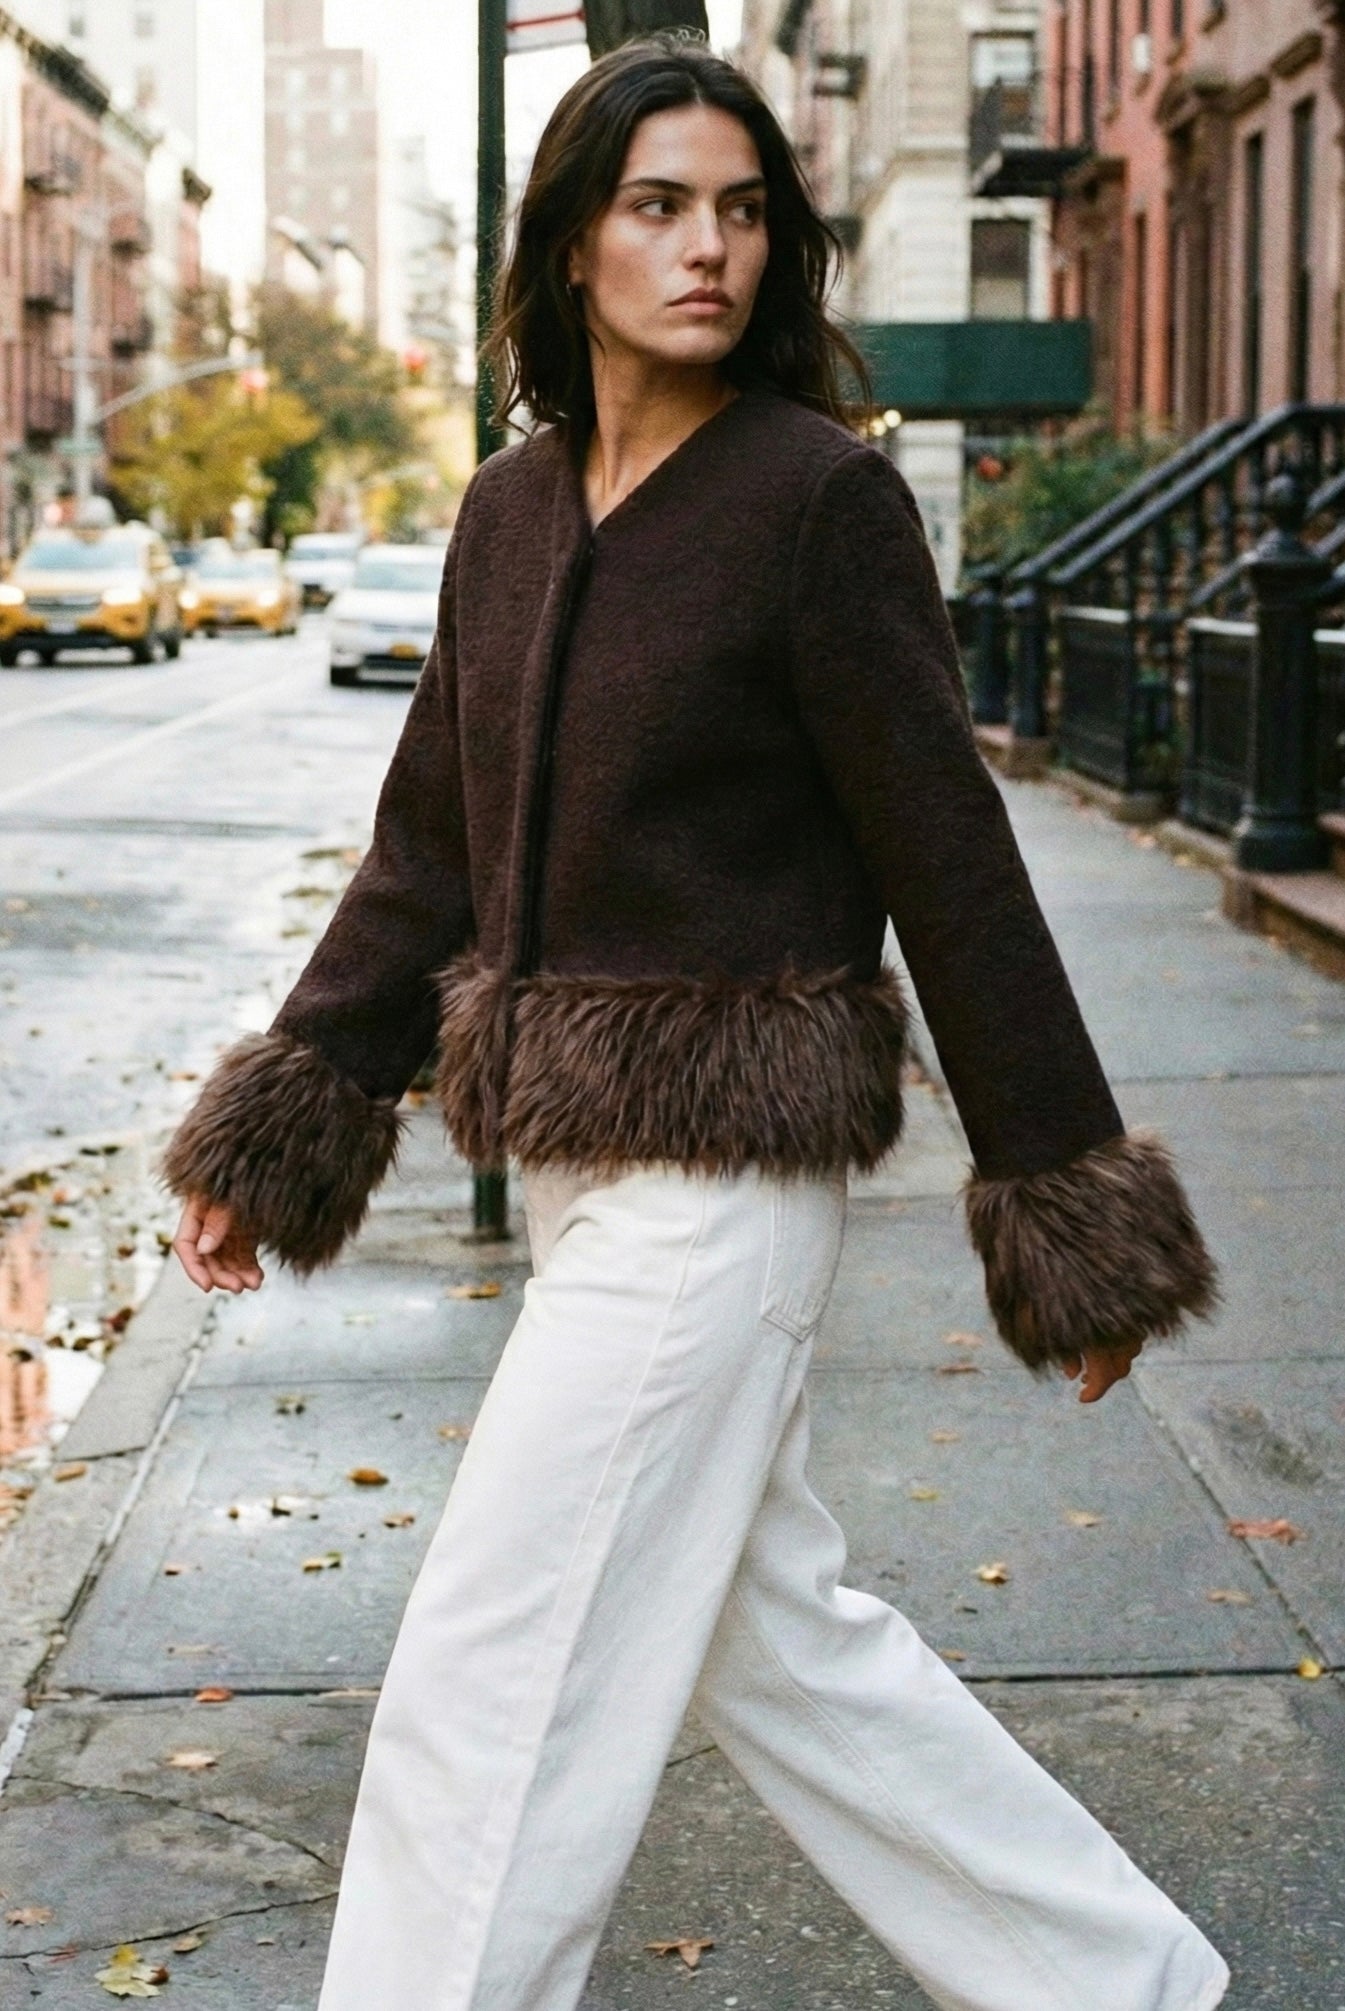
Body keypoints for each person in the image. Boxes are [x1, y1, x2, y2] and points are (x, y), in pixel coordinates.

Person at [164, 35, 1228, 2011]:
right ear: (571, 243)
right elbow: (426, 850)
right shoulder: (507, 511)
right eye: (656, 206)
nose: (706, 247)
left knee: (495, 1669)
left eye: (740, 210)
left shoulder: (816, 500)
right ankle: (1122, 1984)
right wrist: (290, 1118)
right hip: (580, 1173)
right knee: (779, 1645)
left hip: (723, 1195)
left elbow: (949, 859)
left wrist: (1065, 1211)